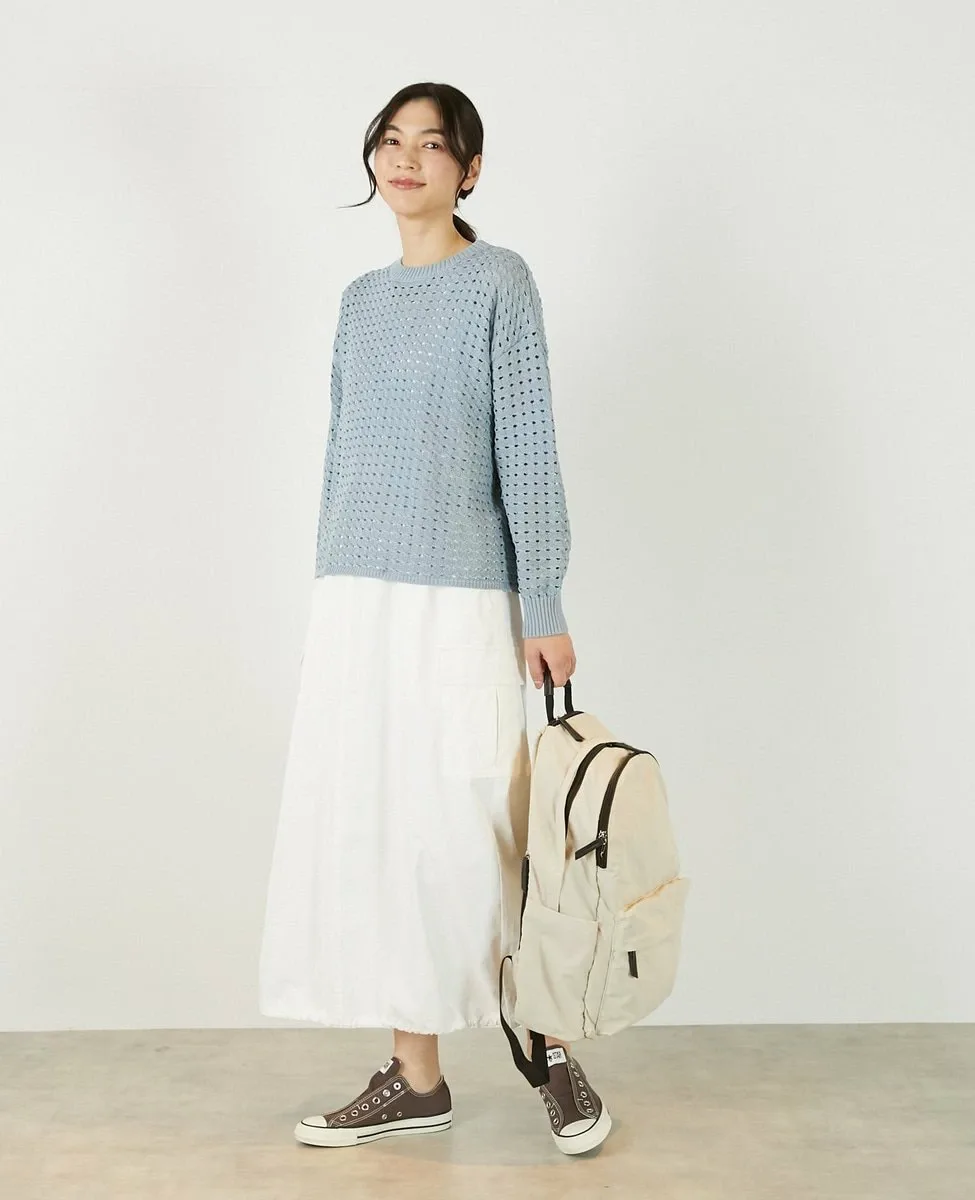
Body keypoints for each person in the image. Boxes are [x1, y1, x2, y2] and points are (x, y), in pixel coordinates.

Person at [258, 82, 612, 1156]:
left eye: (431, 144)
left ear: (470, 169)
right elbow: (341, 449)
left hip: (462, 597)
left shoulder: (498, 281)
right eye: (389, 140)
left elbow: (528, 448)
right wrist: (331, 587)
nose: (404, 159)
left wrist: (543, 599)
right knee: (378, 827)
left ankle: (550, 1052)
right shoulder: (360, 300)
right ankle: (415, 1077)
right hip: (355, 598)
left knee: (482, 828)